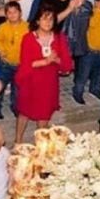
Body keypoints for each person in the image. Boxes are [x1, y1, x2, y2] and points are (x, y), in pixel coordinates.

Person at [14, 8, 74, 144]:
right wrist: (46, 61)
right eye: (44, 18)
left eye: (51, 19)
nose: (48, 22)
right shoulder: (28, 38)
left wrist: (55, 59)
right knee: (24, 112)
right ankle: (18, 141)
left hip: (48, 82)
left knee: (44, 114)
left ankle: (40, 145)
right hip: (30, 81)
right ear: (37, 21)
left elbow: (67, 64)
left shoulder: (59, 38)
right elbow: (26, 63)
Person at [0, 2, 27, 118]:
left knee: (17, 89)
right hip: (5, 63)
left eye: (15, 12)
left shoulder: (27, 27)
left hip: (21, 64)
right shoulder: (2, 28)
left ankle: (15, 107)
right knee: (0, 86)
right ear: (6, 15)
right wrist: (1, 50)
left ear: (20, 13)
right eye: (9, 13)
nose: (12, 15)